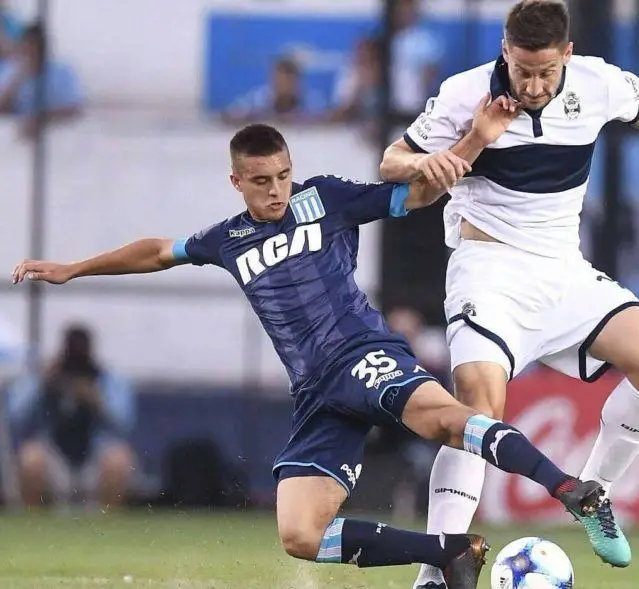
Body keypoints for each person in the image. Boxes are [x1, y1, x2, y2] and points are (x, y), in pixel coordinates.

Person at [13, 123, 604, 589]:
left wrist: (472, 141)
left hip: (362, 354)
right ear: (236, 183)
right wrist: (74, 267)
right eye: (262, 181)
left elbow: (416, 193)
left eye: (283, 176)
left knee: (447, 420)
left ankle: (569, 488)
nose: (276, 190)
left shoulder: (326, 198)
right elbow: (156, 252)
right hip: (317, 393)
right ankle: (451, 553)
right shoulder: (227, 239)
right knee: (300, 534)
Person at [379, 0, 639, 586]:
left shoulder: (599, 84)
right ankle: (436, 569)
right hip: (489, 271)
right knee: (476, 408)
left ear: (568, 57)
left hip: (564, 270)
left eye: (545, 72)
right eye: (522, 69)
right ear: (505, 51)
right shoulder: (463, 94)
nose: (532, 84)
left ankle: (593, 494)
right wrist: (443, 158)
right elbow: (390, 162)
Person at [8, 324, 136, 509]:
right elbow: (16, 416)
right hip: (54, 449)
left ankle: (108, 525)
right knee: (30, 458)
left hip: (93, 451)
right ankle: (32, 523)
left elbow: (125, 425)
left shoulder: (107, 378)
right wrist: (43, 383)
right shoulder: (46, 377)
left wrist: (96, 400)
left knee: (119, 459)